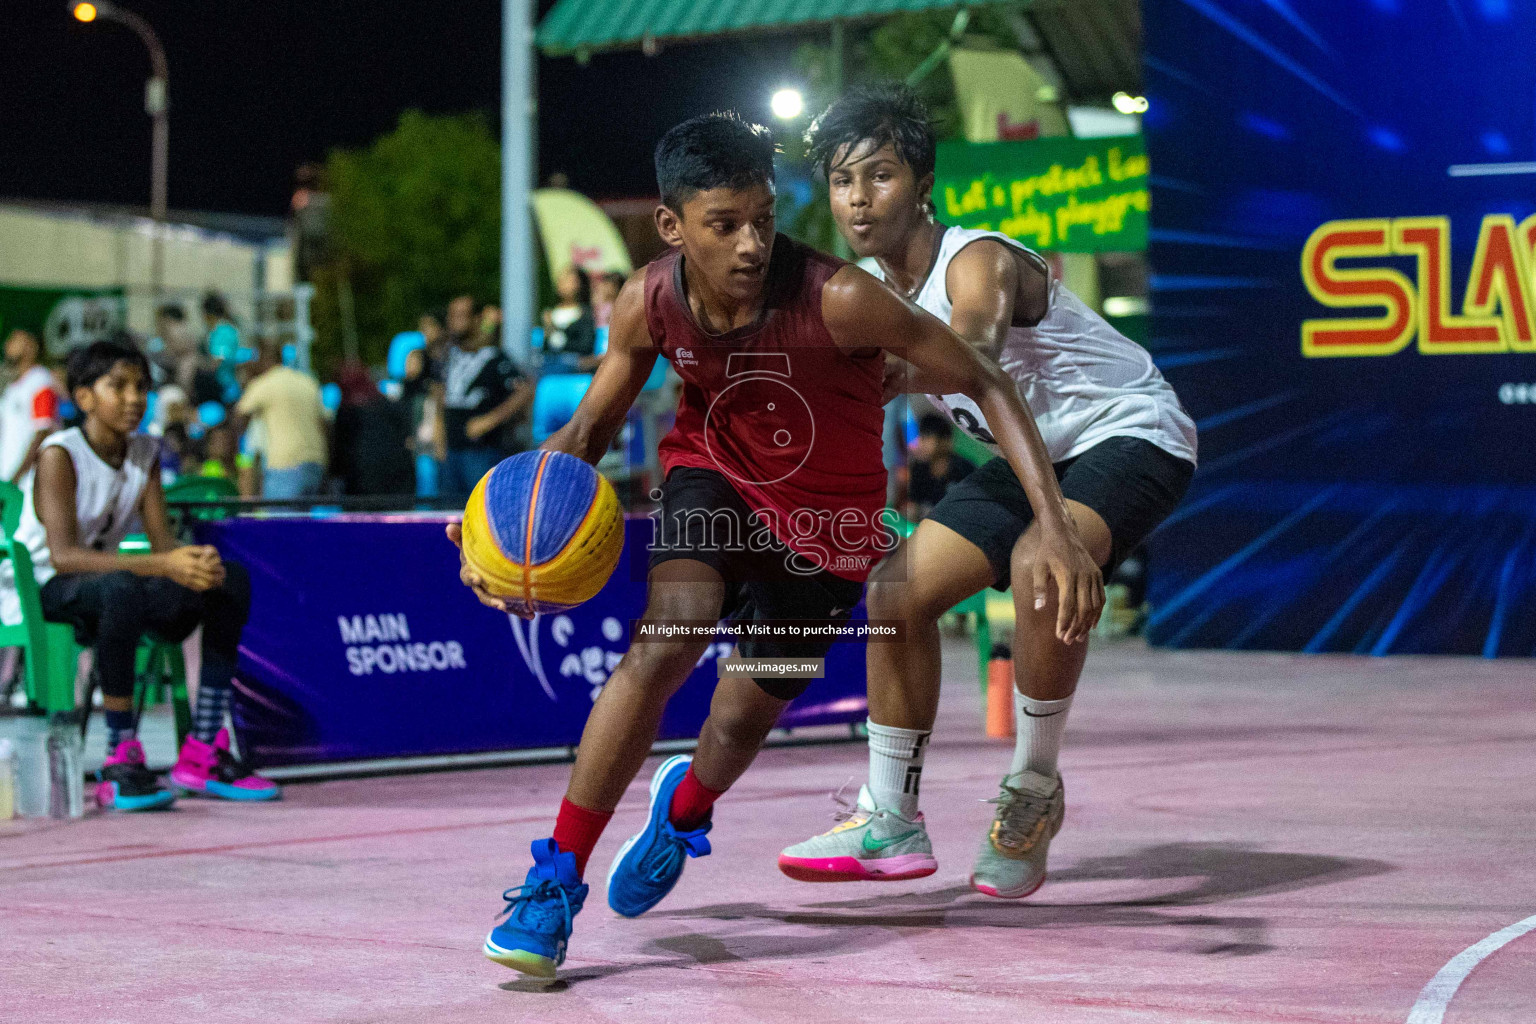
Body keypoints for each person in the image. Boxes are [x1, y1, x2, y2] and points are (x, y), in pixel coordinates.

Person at [447, 111, 1102, 977]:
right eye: (725, 225)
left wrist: (1052, 518)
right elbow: (590, 426)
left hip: (827, 534)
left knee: (737, 718)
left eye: (763, 218)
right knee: (669, 635)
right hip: (710, 483)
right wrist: (504, 526)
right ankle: (554, 879)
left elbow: (982, 375)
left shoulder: (841, 297)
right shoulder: (647, 300)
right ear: (672, 227)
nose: (752, 244)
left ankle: (685, 811)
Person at [778, 85, 1197, 898]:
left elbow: (972, 347)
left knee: (1045, 561)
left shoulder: (977, 258)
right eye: (841, 181)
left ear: (922, 182)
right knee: (895, 591)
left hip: (1131, 430)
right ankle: (890, 814)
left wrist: (869, 372)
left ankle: (1033, 790)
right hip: (1029, 453)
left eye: (880, 174)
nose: (859, 199)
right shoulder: (862, 288)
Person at [3, 339, 278, 810]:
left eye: (142, 388)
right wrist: (163, 564)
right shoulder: (58, 454)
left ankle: (203, 749)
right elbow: (65, 556)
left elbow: (163, 549)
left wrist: (189, 565)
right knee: (123, 587)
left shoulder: (144, 453)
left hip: (111, 585)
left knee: (228, 579)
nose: (134, 398)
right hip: (43, 588)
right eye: (119, 386)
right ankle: (119, 755)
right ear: (84, 397)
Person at [436, 300, 532, 497]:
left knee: (482, 507)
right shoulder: (449, 355)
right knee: (447, 512)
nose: (455, 322)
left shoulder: (493, 356)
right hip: (451, 449)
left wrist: (491, 420)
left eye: (461, 316)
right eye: (452, 316)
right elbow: (439, 395)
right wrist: (440, 436)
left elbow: (524, 390)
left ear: (475, 319)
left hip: (481, 450)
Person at [235, 342, 328, 499]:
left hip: (285, 465)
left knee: (281, 521)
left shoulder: (265, 383)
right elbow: (325, 425)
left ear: (265, 360)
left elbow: (239, 416)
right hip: (315, 463)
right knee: (305, 522)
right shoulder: (307, 381)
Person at [332, 361, 413, 495]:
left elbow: (339, 450)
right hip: (397, 480)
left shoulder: (347, 411)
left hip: (360, 483)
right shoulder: (388, 405)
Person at [0, 328, 62, 486]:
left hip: (27, 482)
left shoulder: (40, 381)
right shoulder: (13, 387)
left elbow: (43, 430)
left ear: (31, 346)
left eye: (15, 339)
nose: (8, 344)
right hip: (9, 478)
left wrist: (18, 475)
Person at [900, 411, 976, 521]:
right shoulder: (918, 469)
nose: (921, 443)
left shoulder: (965, 470)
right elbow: (915, 505)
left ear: (945, 441)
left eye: (927, 436)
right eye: (920, 436)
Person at [541, 266, 599, 369]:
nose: (563, 284)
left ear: (580, 284)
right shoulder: (550, 314)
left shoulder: (585, 314)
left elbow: (585, 345)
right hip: (551, 366)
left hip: (576, 368)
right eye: (562, 279)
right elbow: (545, 348)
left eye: (569, 280)